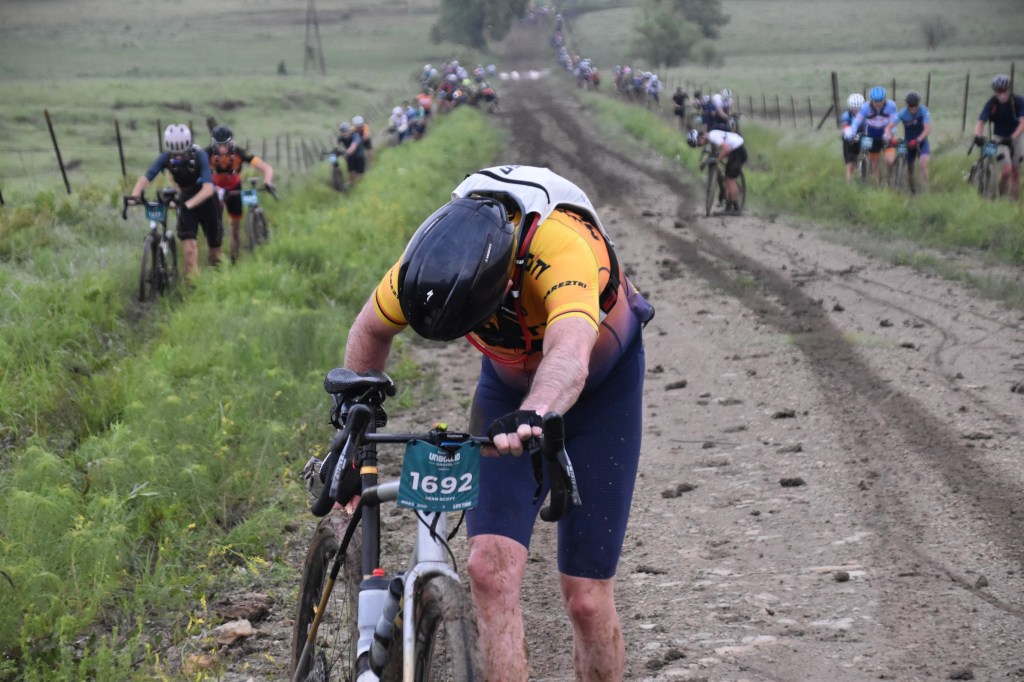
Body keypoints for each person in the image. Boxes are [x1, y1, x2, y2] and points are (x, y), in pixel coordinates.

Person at [340, 165, 653, 681]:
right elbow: (369, 331)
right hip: (507, 388)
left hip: (600, 390)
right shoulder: (429, 258)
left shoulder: (562, 247)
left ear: (503, 284)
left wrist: (537, 409)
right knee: (488, 570)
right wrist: (354, 437)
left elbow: (570, 354)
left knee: (586, 599)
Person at [132, 124, 221, 280]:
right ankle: (193, 287)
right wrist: (135, 196)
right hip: (186, 200)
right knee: (189, 249)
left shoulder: (199, 155)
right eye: (175, 153)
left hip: (207, 202)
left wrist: (187, 205)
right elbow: (147, 177)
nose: (178, 157)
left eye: (182, 153)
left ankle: (218, 280)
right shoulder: (166, 157)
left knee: (215, 251)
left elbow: (208, 189)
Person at [206, 125, 275, 264]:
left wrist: (268, 181)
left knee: (235, 229)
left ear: (231, 142)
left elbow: (266, 167)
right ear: (213, 143)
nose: (222, 148)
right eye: (219, 145)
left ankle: (234, 261)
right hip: (215, 191)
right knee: (214, 230)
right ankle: (214, 262)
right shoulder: (206, 154)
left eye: (225, 144)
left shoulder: (239, 152)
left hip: (234, 190)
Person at [973, 74, 1024, 199]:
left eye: (1004, 91)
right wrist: (978, 135)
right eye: (998, 91)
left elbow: (1023, 122)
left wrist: (1013, 137)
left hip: (1016, 137)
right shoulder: (992, 103)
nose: (1002, 94)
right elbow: (981, 121)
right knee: (1006, 171)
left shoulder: (1018, 101)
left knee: (1016, 173)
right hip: (999, 138)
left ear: (1009, 89)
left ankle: (1013, 204)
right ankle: (1002, 198)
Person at [844, 86, 898, 183]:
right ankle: (876, 182)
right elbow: (857, 121)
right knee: (874, 163)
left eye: (880, 101)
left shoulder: (891, 106)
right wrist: (851, 132)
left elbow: (893, 122)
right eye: (875, 101)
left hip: (886, 132)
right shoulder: (865, 107)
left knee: (890, 161)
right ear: (871, 100)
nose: (878, 103)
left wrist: (889, 133)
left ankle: (890, 176)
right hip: (872, 134)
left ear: (884, 99)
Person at [688, 128, 748, 212]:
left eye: (698, 143)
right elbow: (720, 152)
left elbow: (726, 149)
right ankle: (729, 206)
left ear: (701, 137)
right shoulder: (711, 137)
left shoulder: (712, 136)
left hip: (738, 151)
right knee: (728, 177)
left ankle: (736, 207)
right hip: (735, 150)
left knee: (730, 179)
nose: (700, 145)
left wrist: (717, 160)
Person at [885, 90, 932, 190]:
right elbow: (888, 128)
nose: (913, 108)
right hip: (908, 142)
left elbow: (927, 129)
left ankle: (925, 189)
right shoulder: (902, 113)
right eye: (911, 106)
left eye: (915, 106)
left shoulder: (924, 111)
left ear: (918, 104)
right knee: (910, 167)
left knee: (923, 164)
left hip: (921, 141)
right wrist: (890, 138)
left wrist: (918, 140)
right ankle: (912, 187)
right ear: (907, 105)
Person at [840, 93, 866, 181]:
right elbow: (845, 128)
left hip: (863, 136)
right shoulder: (846, 116)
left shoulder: (866, 115)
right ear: (850, 107)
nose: (856, 109)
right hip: (850, 139)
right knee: (851, 162)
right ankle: (849, 181)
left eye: (859, 107)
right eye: (854, 107)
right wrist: (849, 134)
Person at [334, 121, 366, 188]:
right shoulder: (341, 137)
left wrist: (346, 152)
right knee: (351, 171)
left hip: (359, 155)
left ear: (349, 130)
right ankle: (352, 185)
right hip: (350, 155)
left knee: (360, 173)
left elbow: (353, 146)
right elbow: (336, 144)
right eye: (342, 132)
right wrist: (336, 150)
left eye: (345, 131)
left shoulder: (355, 135)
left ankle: (359, 185)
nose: (344, 133)